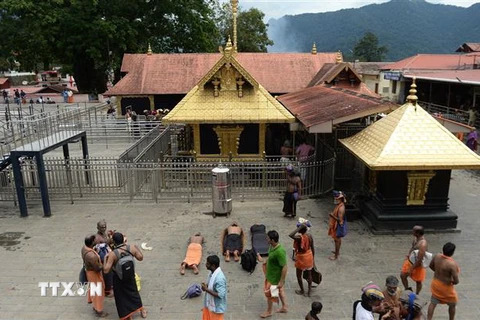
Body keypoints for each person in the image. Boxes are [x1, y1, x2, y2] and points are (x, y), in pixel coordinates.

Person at [103, 232, 147, 319]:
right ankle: (141, 309)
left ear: (114, 242)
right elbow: (140, 258)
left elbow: (106, 270)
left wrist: (105, 258)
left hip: (119, 279)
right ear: (123, 239)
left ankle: (127, 315)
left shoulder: (113, 254)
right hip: (130, 276)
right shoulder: (131, 248)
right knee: (134, 293)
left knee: (121, 297)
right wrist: (136, 248)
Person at [427, 242, 460, 320]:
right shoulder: (452, 264)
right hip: (445, 288)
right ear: (452, 252)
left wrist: (438, 273)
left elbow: (431, 266)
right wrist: (452, 281)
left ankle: (429, 319)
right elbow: (456, 280)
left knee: (433, 302)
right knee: (452, 304)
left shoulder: (437, 256)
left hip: (435, 283)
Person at [261, 230, 288, 318]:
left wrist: (281, 281)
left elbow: (284, 266)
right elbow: (271, 257)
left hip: (274, 277)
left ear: (272, 240)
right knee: (280, 291)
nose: (266, 239)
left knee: (269, 293)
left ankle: (269, 311)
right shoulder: (272, 247)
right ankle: (284, 307)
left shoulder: (280, 251)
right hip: (271, 273)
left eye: (268, 238)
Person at [81, 234, 108, 317]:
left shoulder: (84, 248)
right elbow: (98, 268)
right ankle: (99, 310)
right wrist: (105, 260)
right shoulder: (91, 256)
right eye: (95, 240)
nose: (97, 240)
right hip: (94, 274)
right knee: (98, 292)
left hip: (89, 272)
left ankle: (95, 305)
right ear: (92, 242)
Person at [289, 223, 315, 297]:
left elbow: (290, 235)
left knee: (299, 275)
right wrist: (313, 258)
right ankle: (309, 291)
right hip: (309, 255)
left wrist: (298, 228)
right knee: (309, 274)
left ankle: (302, 290)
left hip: (302, 257)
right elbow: (312, 247)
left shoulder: (299, 237)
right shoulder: (310, 236)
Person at [400, 225, 428, 294]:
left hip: (417, 265)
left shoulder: (422, 244)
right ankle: (407, 289)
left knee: (418, 281)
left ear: (418, 233)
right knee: (402, 275)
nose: (412, 232)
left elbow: (419, 260)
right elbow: (412, 247)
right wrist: (408, 255)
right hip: (410, 261)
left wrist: (411, 269)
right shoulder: (415, 239)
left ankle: (417, 294)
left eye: (414, 231)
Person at [201, 255, 227, 320]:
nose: (206, 264)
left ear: (213, 266)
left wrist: (206, 289)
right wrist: (206, 286)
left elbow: (220, 294)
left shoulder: (220, 279)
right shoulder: (212, 273)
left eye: (208, 263)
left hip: (216, 308)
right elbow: (211, 285)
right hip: (209, 305)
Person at [94, 220, 113, 296]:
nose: (104, 228)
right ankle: (107, 290)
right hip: (103, 259)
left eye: (105, 226)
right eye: (102, 227)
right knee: (107, 274)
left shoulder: (104, 234)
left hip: (108, 256)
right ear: (98, 228)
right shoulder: (97, 238)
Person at [327, 190, 346, 260]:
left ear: (340, 199)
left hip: (338, 225)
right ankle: (337, 252)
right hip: (336, 224)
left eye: (337, 198)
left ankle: (336, 256)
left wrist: (332, 216)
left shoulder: (341, 208)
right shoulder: (339, 205)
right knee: (337, 239)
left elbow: (339, 219)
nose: (335, 199)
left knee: (337, 240)